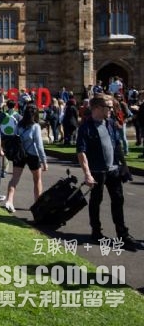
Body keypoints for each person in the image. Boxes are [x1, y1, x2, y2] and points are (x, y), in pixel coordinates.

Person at [76, 96, 140, 251]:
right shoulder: (86, 127)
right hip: (97, 171)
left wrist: (124, 166)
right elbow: (81, 152)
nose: (112, 110)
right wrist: (87, 174)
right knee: (96, 201)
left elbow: (117, 145)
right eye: (109, 107)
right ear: (97, 108)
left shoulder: (110, 123)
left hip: (113, 170)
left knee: (118, 200)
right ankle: (96, 231)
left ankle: (122, 233)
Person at [4, 104, 48, 213]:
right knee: (37, 180)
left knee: (14, 179)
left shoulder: (19, 125)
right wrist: (44, 161)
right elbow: (39, 146)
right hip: (32, 155)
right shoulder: (36, 126)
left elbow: (15, 138)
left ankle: (9, 201)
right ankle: (37, 205)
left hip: (19, 155)